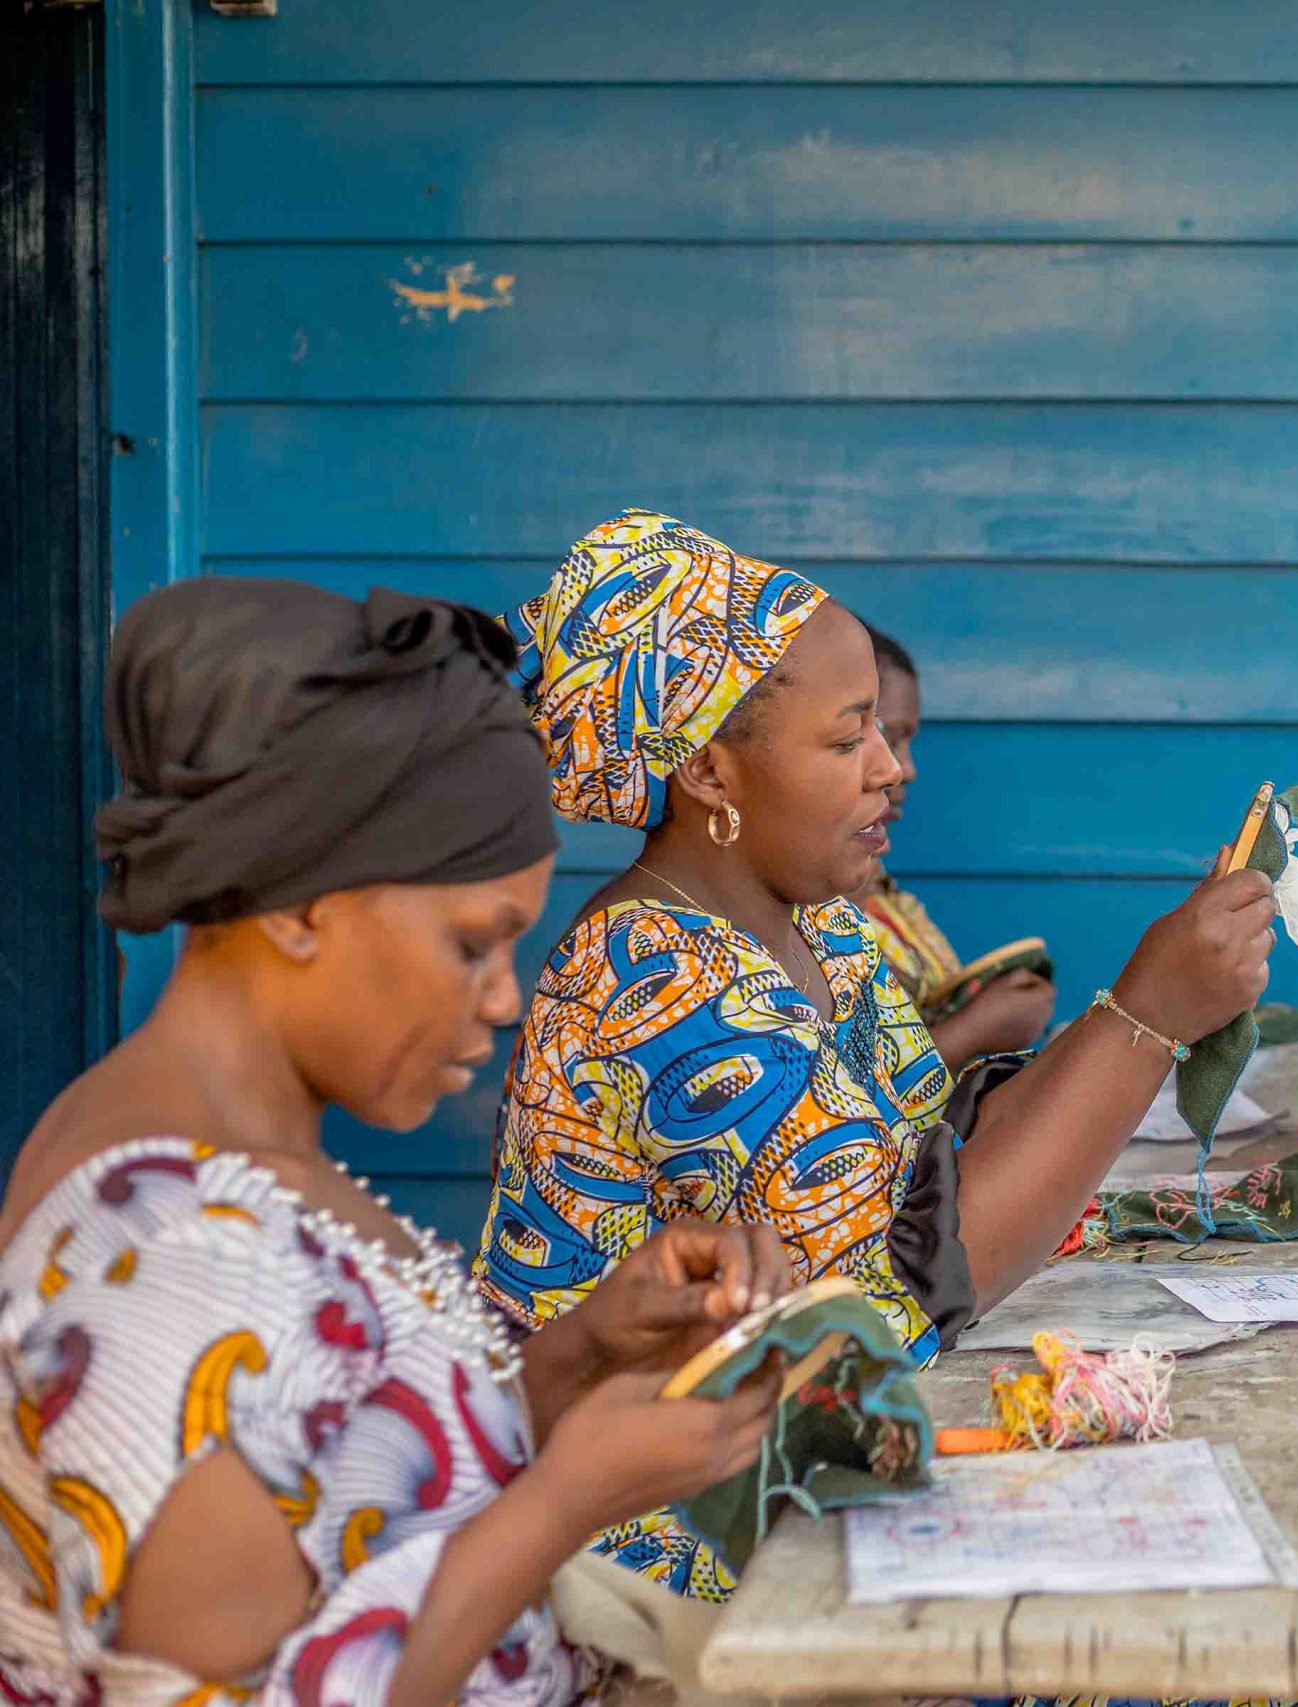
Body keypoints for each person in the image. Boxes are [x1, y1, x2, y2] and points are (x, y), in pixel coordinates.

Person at [0, 578, 796, 1704]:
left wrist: (583, 1356)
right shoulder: (163, 1259)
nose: (505, 998)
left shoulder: (220, 1162)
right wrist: (562, 1502)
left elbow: (345, 1502)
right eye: (473, 944)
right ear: (298, 903)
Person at [479, 511, 1274, 1601]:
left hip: (824, 1468)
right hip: (701, 1547)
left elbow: (935, 1153)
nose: (892, 769)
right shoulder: (650, 985)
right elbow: (917, 1282)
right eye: (850, 738)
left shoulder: (817, 926)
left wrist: (1141, 1003)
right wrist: (1145, 1018)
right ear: (710, 772)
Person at [854, 623, 1058, 1063]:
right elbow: (850, 1097)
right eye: (887, 737)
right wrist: (976, 1029)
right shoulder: (795, 923)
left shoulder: (880, 890)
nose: (904, 769)